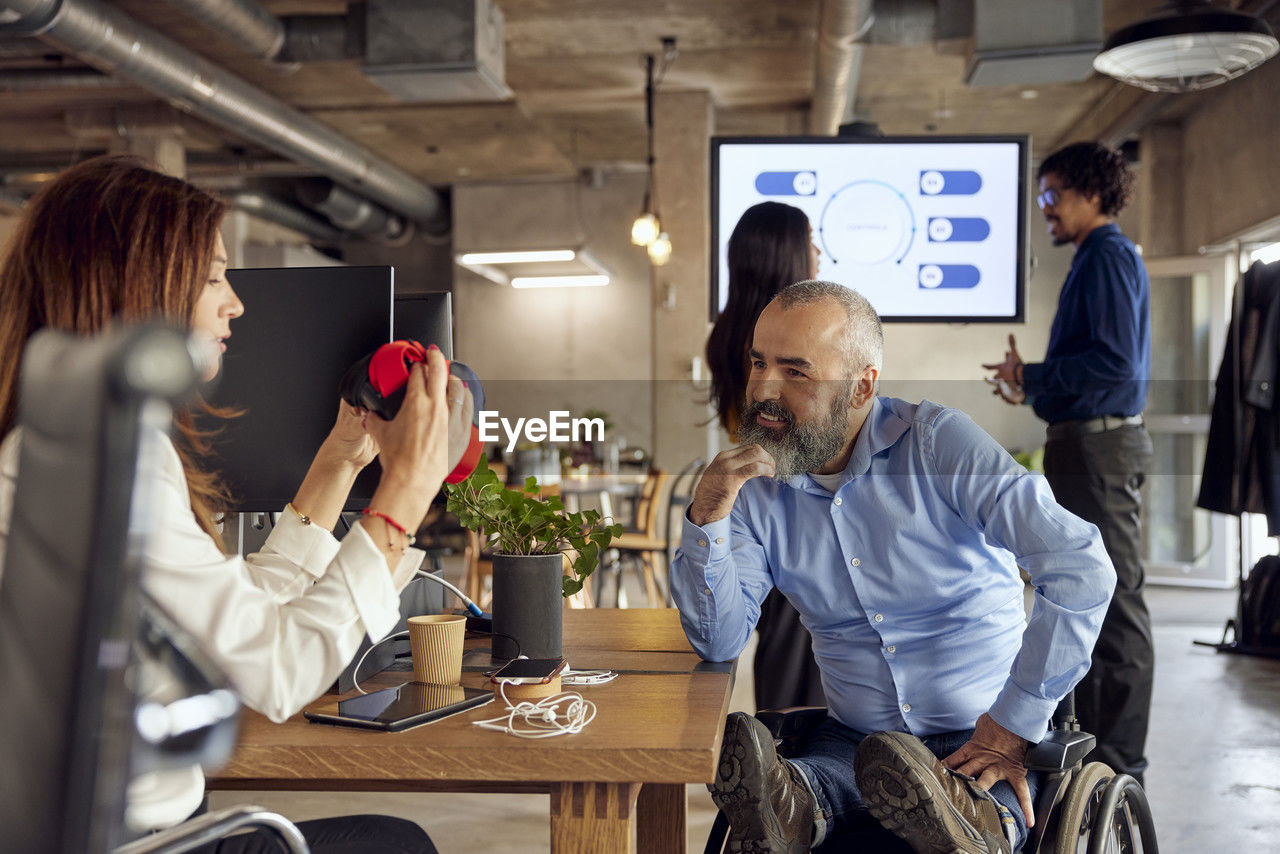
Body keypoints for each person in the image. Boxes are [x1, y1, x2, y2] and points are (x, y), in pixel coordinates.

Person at [0, 155, 471, 852]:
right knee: (396, 846)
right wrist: (406, 493)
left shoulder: (51, 448)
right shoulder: (111, 466)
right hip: (135, 840)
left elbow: (230, 620)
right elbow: (277, 672)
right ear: (140, 282)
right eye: (215, 275)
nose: (236, 302)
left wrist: (340, 463)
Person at [673, 280, 1115, 853]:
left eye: (796, 371)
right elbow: (718, 640)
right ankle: (796, 802)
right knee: (831, 777)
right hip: (855, 739)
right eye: (759, 363)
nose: (764, 389)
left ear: (862, 387)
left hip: (981, 735)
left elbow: (1081, 568)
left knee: (971, 795)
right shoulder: (754, 490)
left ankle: (975, 815)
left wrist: (1013, 724)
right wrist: (707, 512)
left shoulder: (939, 446)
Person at [983, 140, 1153, 785]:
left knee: (1111, 603)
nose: (1045, 208)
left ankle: (1119, 763)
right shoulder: (1096, 258)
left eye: (1052, 195)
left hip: (1100, 448)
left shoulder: (1107, 255)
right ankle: (1100, 754)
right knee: (1089, 593)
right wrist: (1033, 382)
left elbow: (1114, 367)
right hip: (1088, 444)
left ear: (1091, 191)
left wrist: (1036, 373)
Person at [705, 201, 826, 712]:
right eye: (809, 241)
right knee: (808, 637)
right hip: (798, 498)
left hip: (756, 500)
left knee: (785, 638)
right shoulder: (790, 339)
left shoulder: (728, 334)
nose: (817, 251)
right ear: (787, 255)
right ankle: (800, 771)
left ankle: (780, 763)